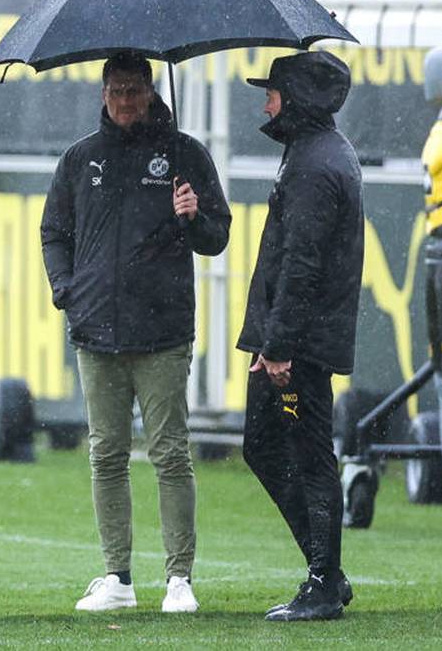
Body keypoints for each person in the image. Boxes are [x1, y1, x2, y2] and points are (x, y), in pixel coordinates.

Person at [40, 51, 231, 614]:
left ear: (151, 90)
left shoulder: (184, 155)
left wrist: (193, 215)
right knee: (106, 455)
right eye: (117, 90)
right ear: (103, 93)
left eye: (135, 90)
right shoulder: (81, 160)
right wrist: (64, 288)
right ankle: (117, 577)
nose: (126, 100)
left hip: (164, 331)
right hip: (95, 330)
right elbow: (53, 231)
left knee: (170, 454)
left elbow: (217, 236)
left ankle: (179, 580)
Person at [238, 51, 364, 622]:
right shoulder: (315, 152)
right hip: (292, 336)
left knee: (311, 457)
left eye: (273, 92)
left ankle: (322, 581)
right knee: (262, 444)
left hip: (299, 343)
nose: (266, 103)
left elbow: (302, 263)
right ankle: (326, 572)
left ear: (298, 98)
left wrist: (280, 346)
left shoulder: (315, 164)